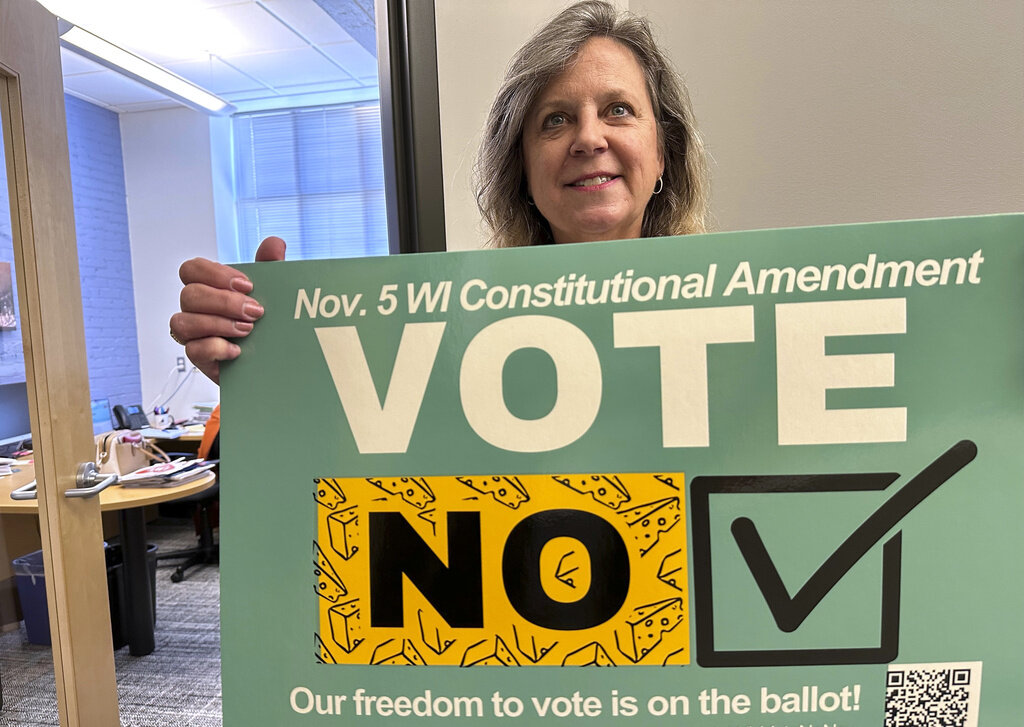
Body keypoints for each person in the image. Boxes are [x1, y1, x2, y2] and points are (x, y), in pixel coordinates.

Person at [170, 0, 708, 382]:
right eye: (555, 120)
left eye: (618, 109)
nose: (589, 138)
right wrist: (267, 372)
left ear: (663, 151)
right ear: (521, 171)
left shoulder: (748, 316)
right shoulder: (451, 338)